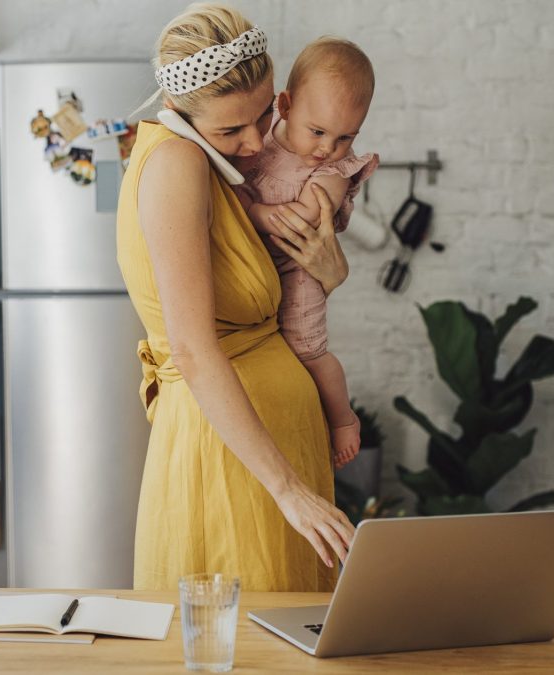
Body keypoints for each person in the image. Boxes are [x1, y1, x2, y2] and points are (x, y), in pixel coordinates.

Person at [116, 3, 355, 593]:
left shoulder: (214, 164)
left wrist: (330, 271)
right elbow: (194, 350)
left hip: (270, 452)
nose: (254, 144)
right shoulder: (176, 161)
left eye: (262, 116)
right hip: (234, 465)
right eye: (230, 130)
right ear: (177, 110)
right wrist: (289, 491)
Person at [235, 37, 379, 471]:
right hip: (252, 265)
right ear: (286, 104)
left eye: (344, 137)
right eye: (318, 132)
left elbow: (309, 215)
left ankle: (342, 419)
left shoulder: (334, 169)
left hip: (298, 269)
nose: (326, 148)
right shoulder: (258, 136)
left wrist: (254, 212)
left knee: (306, 350)